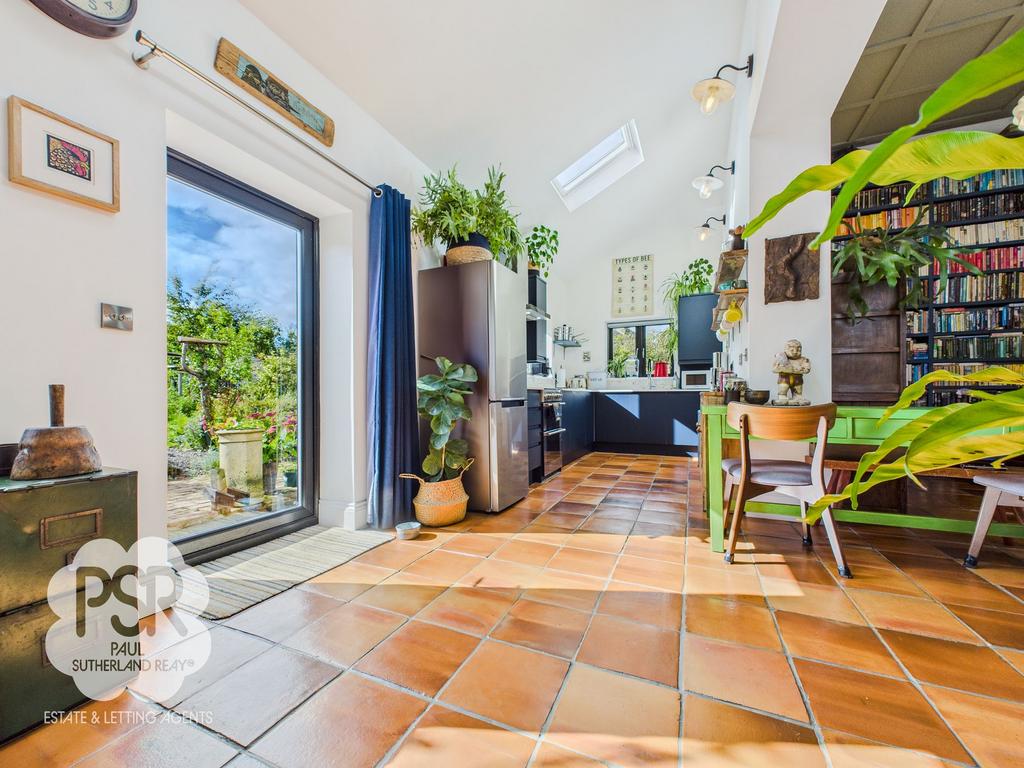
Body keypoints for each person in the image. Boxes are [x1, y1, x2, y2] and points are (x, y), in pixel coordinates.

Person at [772, 339, 811, 405]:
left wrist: (791, 369)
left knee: (798, 392)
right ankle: (782, 397)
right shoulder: (781, 358)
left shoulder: (803, 360)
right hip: (784, 379)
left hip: (798, 380)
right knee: (783, 390)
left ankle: (798, 397)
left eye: (798, 350)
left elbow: (807, 369)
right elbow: (775, 369)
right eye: (792, 350)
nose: (795, 352)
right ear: (786, 350)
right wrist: (793, 369)